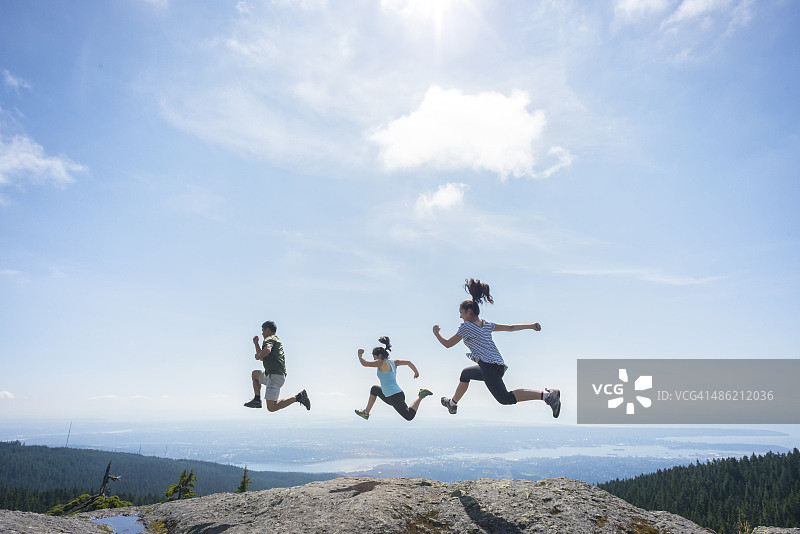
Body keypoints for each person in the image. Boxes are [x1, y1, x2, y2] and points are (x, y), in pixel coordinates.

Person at [432, 278, 561, 418]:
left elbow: (448, 344)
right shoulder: (486, 324)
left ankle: (548, 396)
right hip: (497, 366)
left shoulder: (466, 327)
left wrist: (437, 334)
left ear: (469, 311)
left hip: (489, 367)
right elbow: (510, 328)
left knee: (505, 399)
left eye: (461, 312)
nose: (460, 315)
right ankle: (452, 403)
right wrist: (530, 326)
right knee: (466, 374)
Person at [354, 336, 432, 421]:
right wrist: (416, 372)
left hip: (395, 397)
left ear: (379, 355)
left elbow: (365, 363)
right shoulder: (394, 362)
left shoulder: (381, 362)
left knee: (409, 416)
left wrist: (360, 354)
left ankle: (421, 396)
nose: (374, 360)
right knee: (374, 389)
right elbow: (408, 362)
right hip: (390, 396)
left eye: (374, 357)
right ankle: (366, 412)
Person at [243, 321, 311, 412]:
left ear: (267, 330)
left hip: (274, 377)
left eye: (263, 331)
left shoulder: (269, 339)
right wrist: (256, 344)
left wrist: (258, 356)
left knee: (271, 408)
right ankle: (257, 399)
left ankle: (298, 397)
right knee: (255, 374)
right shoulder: (276, 339)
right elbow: (263, 357)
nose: (262, 333)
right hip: (272, 375)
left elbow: (267, 350)